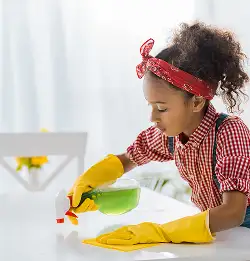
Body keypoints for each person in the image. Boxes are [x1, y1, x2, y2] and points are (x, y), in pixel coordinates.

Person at [68, 22, 250, 245]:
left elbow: (233, 212)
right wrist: (90, 182)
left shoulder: (230, 132)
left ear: (197, 101)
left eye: (162, 108)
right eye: (150, 106)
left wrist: (162, 232)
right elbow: (130, 158)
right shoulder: (171, 135)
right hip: (223, 236)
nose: (153, 117)